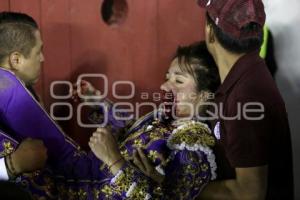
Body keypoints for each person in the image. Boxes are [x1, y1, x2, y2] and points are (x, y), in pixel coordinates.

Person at [75, 41, 221, 199]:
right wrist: (99, 103)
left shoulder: (194, 147)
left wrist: (113, 160)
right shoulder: (167, 118)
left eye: (178, 81)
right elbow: (131, 129)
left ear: (205, 95)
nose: (164, 87)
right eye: (167, 79)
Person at [196, 0, 294, 199]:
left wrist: (181, 186)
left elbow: (248, 193)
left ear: (210, 32)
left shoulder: (245, 96)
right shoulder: (245, 78)